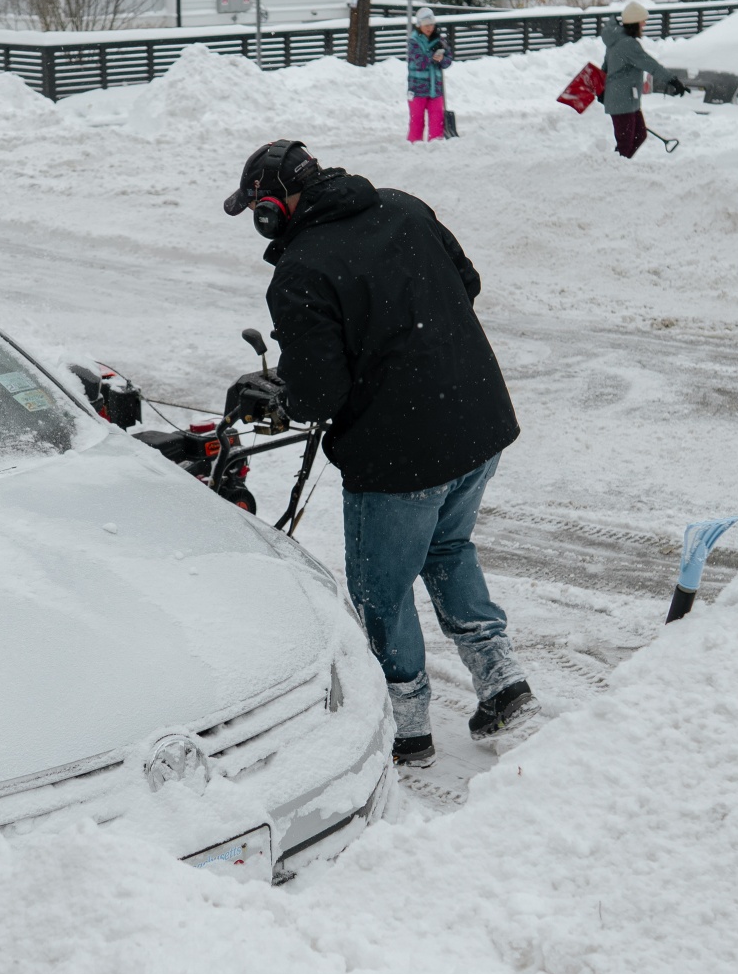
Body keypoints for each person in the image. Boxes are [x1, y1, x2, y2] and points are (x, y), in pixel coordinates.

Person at [223, 140, 535, 767]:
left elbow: (318, 393)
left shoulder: (301, 270)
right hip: (477, 425)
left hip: (399, 456)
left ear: (274, 207)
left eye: (259, 207)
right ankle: (500, 680)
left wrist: (295, 387)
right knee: (448, 547)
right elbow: (466, 282)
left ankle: (406, 725)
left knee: (380, 590)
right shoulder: (404, 207)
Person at [600, 0, 688, 158]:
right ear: (634, 23)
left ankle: (620, 167)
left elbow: (606, 67)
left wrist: (602, 91)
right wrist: (672, 80)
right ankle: (615, 172)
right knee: (625, 143)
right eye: (642, 22)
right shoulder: (627, 44)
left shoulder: (617, 40)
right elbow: (650, 64)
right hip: (621, 99)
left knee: (639, 135)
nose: (644, 25)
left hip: (625, 98)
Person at [406, 7, 448, 142]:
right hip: (417, 89)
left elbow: (448, 60)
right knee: (416, 121)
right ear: (419, 26)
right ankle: (413, 146)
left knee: (437, 121)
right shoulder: (413, 42)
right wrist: (432, 56)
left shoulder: (439, 40)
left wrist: (442, 59)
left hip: (435, 89)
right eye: (426, 25)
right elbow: (420, 63)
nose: (429, 28)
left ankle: (435, 146)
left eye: (431, 24)